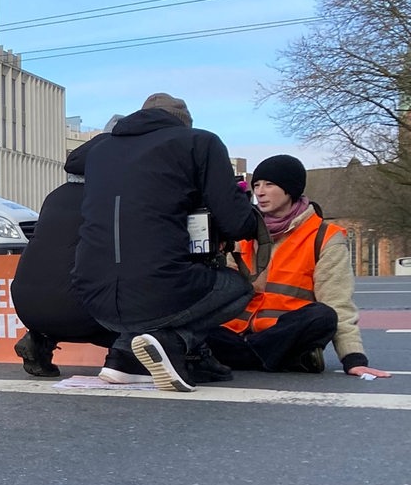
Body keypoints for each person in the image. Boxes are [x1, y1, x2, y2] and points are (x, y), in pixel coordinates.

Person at [72, 93, 262, 393]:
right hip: (156, 291)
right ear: (183, 125)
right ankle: (173, 342)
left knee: (152, 282)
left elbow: (74, 161)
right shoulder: (200, 143)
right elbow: (237, 223)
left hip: (93, 297)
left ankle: (124, 356)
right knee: (238, 287)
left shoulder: (100, 151)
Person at [206, 155, 392, 378]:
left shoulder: (324, 236)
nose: (260, 192)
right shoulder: (243, 233)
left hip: (284, 334)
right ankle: (267, 358)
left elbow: (338, 302)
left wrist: (353, 358)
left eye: (269, 184)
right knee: (191, 324)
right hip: (235, 333)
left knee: (324, 315)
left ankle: (241, 357)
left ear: (290, 189)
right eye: (256, 185)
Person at [10, 134, 156, 383]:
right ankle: (125, 352)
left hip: (27, 305)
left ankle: (39, 340)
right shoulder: (113, 199)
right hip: (83, 310)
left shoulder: (55, 196)